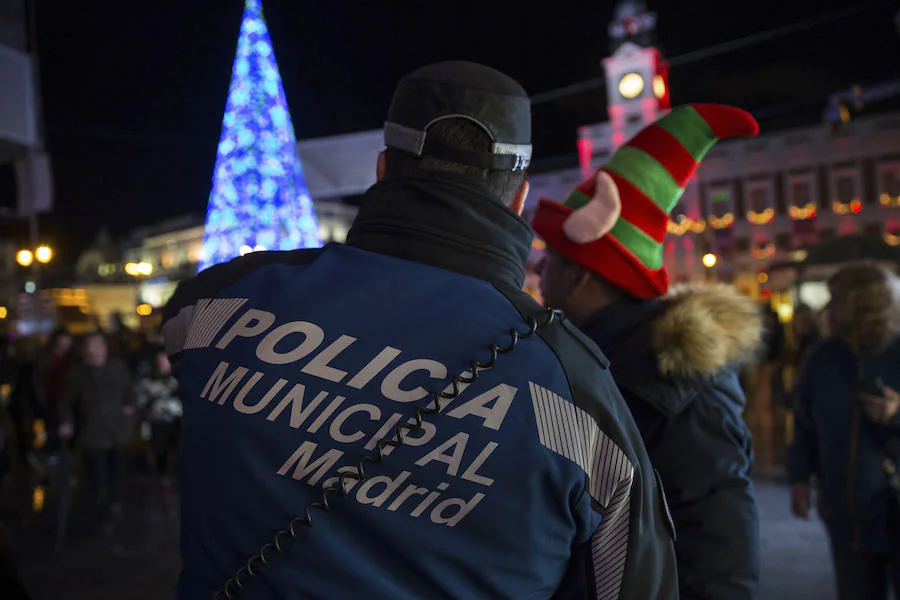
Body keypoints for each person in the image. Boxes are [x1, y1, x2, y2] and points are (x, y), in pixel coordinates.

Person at [162, 61, 678, 599]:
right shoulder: (570, 384)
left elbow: (175, 336)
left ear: (383, 169)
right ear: (519, 197)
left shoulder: (218, 306)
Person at [532, 104, 762, 599]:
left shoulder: (674, 376)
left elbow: (718, 531)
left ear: (580, 274)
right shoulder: (592, 358)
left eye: (549, 262)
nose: (538, 276)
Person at [788, 262, 900, 600]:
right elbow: (805, 422)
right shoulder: (822, 357)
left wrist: (896, 415)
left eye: (835, 299)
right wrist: (799, 477)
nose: (828, 309)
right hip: (845, 511)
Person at [58, 332, 135, 533]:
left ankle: (115, 503)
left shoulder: (117, 367)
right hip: (93, 431)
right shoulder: (76, 374)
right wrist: (66, 421)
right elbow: (65, 401)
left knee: (116, 469)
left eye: (99, 346)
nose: (96, 351)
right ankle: (101, 511)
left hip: (117, 429)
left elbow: (129, 390)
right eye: (91, 347)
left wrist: (129, 406)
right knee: (97, 474)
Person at [134, 345, 182, 514]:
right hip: (157, 423)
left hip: (177, 422)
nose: (163, 362)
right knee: (160, 452)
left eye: (165, 359)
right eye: (160, 359)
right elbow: (139, 401)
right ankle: (164, 481)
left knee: (180, 451)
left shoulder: (179, 378)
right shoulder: (147, 381)